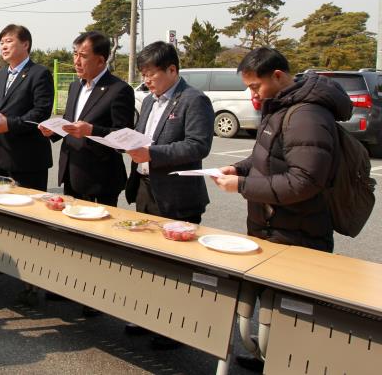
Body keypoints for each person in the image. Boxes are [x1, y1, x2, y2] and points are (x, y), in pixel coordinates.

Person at [122, 41, 215, 348]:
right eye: (144, 74)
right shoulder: (149, 101)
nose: (147, 81)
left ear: (172, 70)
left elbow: (198, 145)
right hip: (146, 189)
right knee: (147, 259)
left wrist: (152, 153)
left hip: (178, 195)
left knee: (175, 267)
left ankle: (174, 328)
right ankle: (148, 316)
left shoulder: (194, 100)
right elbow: (142, 135)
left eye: (152, 74)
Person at [212, 47, 351, 253]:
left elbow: (304, 181)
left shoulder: (306, 116)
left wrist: (242, 185)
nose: (253, 94)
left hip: (296, 236)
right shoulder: (278, 105)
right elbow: (267, 154)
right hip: (272, 230)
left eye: (255, 86)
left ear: (277, 76)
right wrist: (238, 169)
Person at [39, 31, 134, 205]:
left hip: (100, 178)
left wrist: (92, 130)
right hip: (71, 171)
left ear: (100, 60)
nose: (76, 61)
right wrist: (52, 131)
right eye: (75, 54)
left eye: (83, 56)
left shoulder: (119, 90)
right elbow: (70, 121)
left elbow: (124, 135)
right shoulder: (75, 86)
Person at [0, 24, 53, 191]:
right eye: (1, 42)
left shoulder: (39, 73)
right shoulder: (1, 74)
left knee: (27, 211)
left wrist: (8, 124)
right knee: (0, 208)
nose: (3, 46)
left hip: (26, 159)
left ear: (25, 44)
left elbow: (41, 112)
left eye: (9, 41)